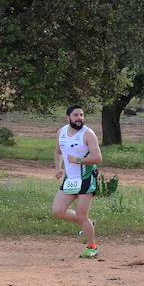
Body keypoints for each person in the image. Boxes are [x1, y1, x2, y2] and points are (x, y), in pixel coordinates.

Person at [52, 105, 103, 258]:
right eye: (76, 115)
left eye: (81, 115)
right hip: (70, 179)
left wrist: (78, 160)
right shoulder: (61, 132)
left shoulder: (88, 134)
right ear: (68, 117)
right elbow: (57, 152)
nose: (79, 118)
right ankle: (87, 223)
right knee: (57, 211)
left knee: (81, 213)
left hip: (86, 178)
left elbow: (98, 158)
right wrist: (58, 168)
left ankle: (92, 246)